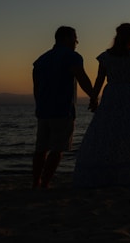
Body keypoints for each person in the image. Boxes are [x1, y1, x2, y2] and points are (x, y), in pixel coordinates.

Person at [73, 23, 130, 188]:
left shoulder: (106, 57)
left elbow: (99, 80)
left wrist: (94, 98)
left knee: (107, 133)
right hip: (129, 97)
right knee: (129, 135)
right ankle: (125, 176)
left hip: (111, 95)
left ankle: (104, 172)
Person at [32, 26, 95, 189]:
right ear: (66, 38)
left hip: (43, 111)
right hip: (62, 109)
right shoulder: (72, 57)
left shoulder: (41, 59)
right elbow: (82, 78)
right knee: (57, 150)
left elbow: (36, 87)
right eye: (75, 38)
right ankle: (45, 183)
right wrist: (94, 97)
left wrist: (39, 105)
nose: (77, 42)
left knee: (41, 149)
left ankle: (35, 182)